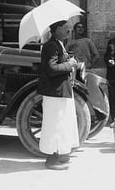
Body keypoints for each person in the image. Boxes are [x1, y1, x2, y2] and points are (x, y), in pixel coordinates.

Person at [38, 20, 80, 170]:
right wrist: (70, 64)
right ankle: (51, 159)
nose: (68, 30)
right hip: (54, 92)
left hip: (60, 90)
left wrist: (69, 60)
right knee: (54, 125)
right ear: (56, 30)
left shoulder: (58, 43)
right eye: (65, 28)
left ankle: (58, 153)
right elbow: (51, 68)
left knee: (61, 124)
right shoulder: (50, 46)